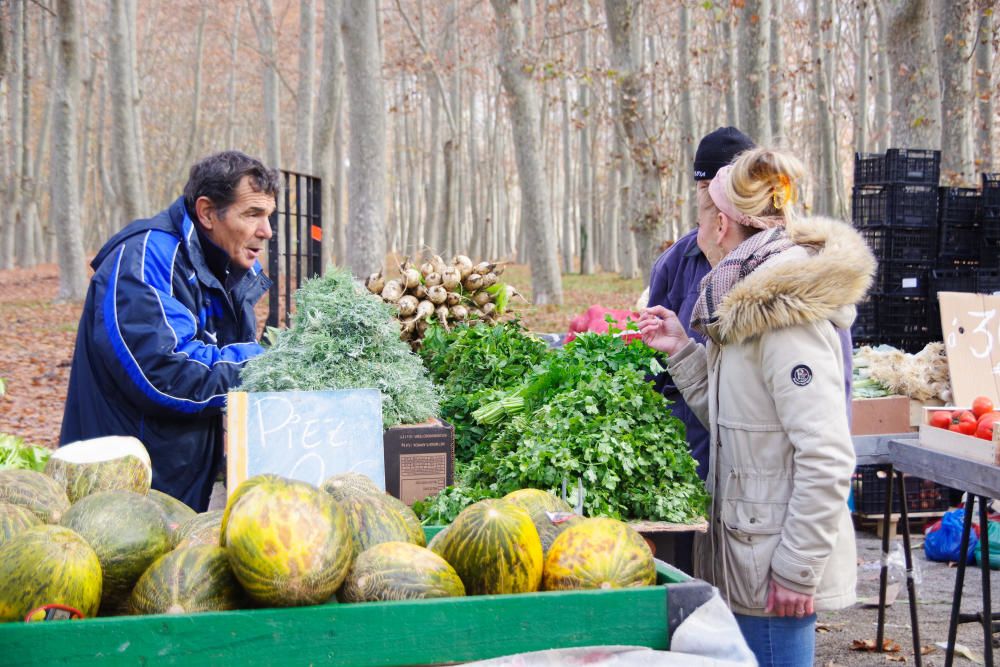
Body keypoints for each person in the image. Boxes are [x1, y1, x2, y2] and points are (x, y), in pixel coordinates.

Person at [638, 147, 872, 666]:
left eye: (700, 216)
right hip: (748, 551)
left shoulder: (782, 313)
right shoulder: (744, 296)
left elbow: (828, 455)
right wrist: (682, 350)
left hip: (772, 571)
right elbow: (731, 421)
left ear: (721, 224)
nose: (696, 231)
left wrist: (795, 567)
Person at [60, 151, 280, 511]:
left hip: (179, 487)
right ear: (208, 212)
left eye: (268, 216)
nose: (266, 231)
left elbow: (224, 365)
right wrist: (272, 364)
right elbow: (168, 373)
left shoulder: (229, 269)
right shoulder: (144, 258)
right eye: (252, 214)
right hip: (121, 497)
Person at [648, 127, 755, 483]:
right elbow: (654, 358)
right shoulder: (675, 262)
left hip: (749, 455)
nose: (708, 198)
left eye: (720, 187)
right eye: (702, 186)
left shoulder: (771, 266)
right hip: (687, 440)